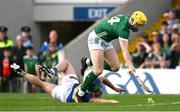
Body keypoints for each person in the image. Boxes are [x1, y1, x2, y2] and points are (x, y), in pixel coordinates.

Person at [77, 11, 147, 98]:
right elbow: (124, 50)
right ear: (132, 21)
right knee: (98, 70)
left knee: (115, 67)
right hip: (96, 38)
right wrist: (130, 65)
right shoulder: (123, 29)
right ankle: (80, 92)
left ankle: (87, 62)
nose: (138, 28)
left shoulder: (127, 19)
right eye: (138, 25)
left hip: (106, 41)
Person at [10, 59, 125, 103]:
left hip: (72, 86)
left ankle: (51, 70)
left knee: (66, 63)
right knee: (42, 84)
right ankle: (22, 72)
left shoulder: (92, 83)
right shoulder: (88, 97)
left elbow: (103, 78)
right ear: (94, 91)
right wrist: (111, 101)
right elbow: (98, 101)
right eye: (99, 90)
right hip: (65, 95)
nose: (100, 91)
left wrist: (114, 88)